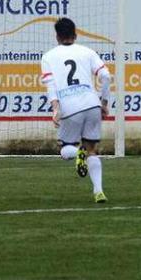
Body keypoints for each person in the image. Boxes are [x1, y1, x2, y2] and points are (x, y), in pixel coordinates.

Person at [40, 17, 111, 203]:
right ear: (75, 35)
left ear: (57, 36)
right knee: (92, 150)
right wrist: (104, 103)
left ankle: (79, 153)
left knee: (64, 150)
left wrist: (55, 108)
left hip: (70, 108)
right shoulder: (87, 52)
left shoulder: (48, 56)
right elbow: (106, 76)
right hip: (92, 104)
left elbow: (50, 84)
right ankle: (98, 191)